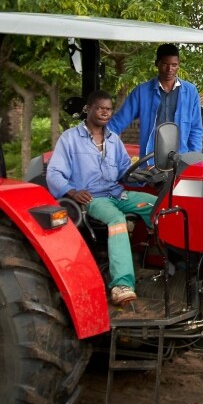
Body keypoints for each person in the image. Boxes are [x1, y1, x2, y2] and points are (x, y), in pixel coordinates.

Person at [47, 89, 159, 305]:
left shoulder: (113, 139)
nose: (105, 113)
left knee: (159, 205)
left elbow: (124, 171)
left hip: (117, 193)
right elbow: (54, 174)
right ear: (89, 109)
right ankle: (122, 285)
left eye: (108, 109)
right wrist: (72, 191)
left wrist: (145, 175)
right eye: (100, 108)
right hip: (92, 199)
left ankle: (168, 262)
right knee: (117, 220)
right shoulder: (70, 139)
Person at [108, 42, 203, 154]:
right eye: (164, 64)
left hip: (180, 161)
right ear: (156, 63)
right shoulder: (141, 92)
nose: (169, 69)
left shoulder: (190, 92)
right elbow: (118, 122)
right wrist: (97, 139)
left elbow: (196, 128)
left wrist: (194, 158)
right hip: (150, 163)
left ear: (179, 65)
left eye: (174, 65)